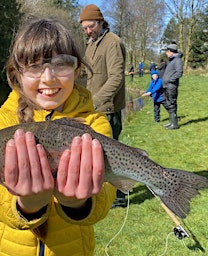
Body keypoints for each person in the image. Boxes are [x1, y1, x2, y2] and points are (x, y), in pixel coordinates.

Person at [0, 18, 116, 256]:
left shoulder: (94, 124)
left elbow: (103, 203)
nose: (49, 77)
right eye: (34, 66)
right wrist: (28, 205)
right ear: (17, 73)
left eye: (62, 64)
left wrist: (76, 202)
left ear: (77, 69)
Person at [79, 4, 127, 208]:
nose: (88, 31)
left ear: (101, 22)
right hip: (93, 110)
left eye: (91, 27)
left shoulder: (112, 42)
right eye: (85, 28)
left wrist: (96, 101)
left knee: (112, 157)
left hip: (108, 109)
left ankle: (120, 196)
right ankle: (105, 192)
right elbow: (86, 71)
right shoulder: (91, 43)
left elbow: (116, 78)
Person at [161, 43, 183, 130]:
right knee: (168, 103)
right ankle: (171, 122)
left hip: (171, 85)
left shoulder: (177, 60)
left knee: (172, 103)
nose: (166, 53)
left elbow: (179, 73)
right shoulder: (172, 60)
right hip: (167, 85)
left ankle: (174, 124)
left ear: (171, 52)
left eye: (167, 51)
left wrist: (170, 80)